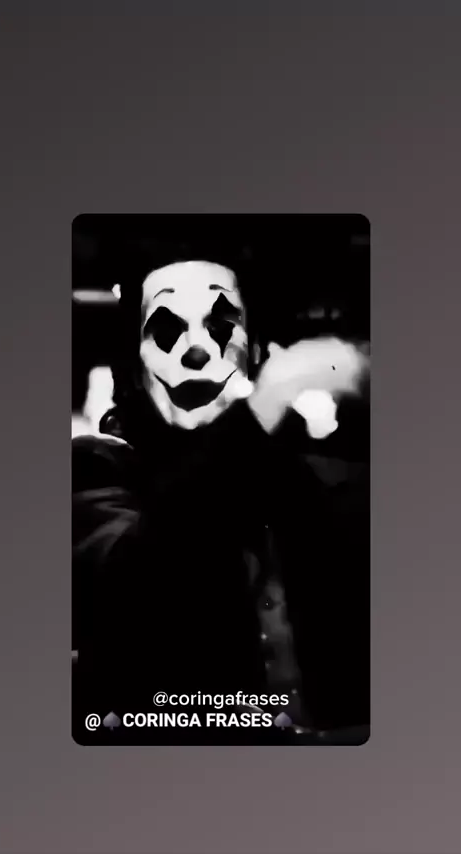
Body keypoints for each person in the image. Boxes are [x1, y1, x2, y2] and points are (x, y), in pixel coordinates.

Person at [72, 237, 370, 744]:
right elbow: (132, 581)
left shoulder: (320, 481)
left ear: (254, 352)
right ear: (135, 368)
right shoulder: (98, 469)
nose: (197, 350)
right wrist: (265, 405)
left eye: (220, 325)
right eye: (165, 329)